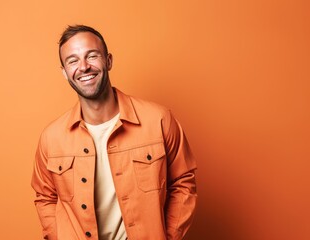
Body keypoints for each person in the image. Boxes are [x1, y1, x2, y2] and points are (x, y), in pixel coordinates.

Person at [31, 25, 197, 240]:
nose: (84, 67)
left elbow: (183, 183)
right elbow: (45, 197)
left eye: (92, 56)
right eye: (72, 60)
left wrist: (168, 236)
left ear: (108, 61)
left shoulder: (158, 120)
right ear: (64, 72)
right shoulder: (51, 138)